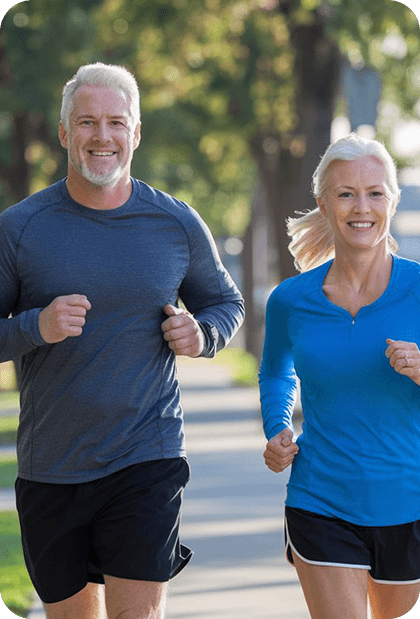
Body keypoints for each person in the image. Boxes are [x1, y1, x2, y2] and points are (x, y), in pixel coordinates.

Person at [0, 62, 244, 619]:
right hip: (52, 467)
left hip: (146, 456)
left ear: (136, 132)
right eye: (87, 122)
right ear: (64, 133)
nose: (102, 136)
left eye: (116, 122)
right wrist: (33, 327)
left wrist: (202, 334)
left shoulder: (174, 222)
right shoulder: (20, 228)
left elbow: (225, 303)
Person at [259, 133, 420, 619]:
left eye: (374, 193)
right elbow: (276, 374)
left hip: (409, 504)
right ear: (324, 204)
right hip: (321, 500)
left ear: (391, 202)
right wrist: (277, 427)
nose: (361, 206)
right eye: (346, 193)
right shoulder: (291, 299)